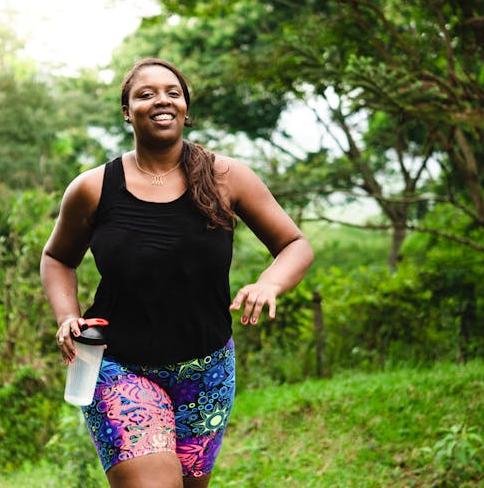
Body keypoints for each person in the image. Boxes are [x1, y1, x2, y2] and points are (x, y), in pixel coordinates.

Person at [40, 57, 314, 488]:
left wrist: (269, 282)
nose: (161, 100)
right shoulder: (93, 188)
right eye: (145, 94)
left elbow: (294, 244)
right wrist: (66, 316)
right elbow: (57, 257)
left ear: (186, 107)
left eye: (172, 91)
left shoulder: (227, 177)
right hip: (117, 364)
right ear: (128, 112)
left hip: (207, 369)